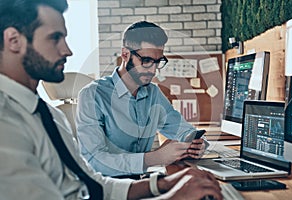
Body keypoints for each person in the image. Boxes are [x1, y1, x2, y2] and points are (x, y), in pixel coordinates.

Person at [0, 0, 223, 199]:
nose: (68, 51)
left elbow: (93, 186)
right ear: (13, 40)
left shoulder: (49, 115)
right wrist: (167, 180)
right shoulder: (7, 121)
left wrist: (163, 183)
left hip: (132, 183)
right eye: (55, 38)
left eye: (157, 61)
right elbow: (96, 164)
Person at [76, 20, 208, 177]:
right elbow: (93, 161)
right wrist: (154, 158)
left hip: (142, 182)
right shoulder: (92, 95)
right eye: (146, 61)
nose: (153, 70)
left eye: (158, 62)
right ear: (125, 54)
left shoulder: (153, 93)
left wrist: (198, 145)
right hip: (107, 189)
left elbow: (184, 130)